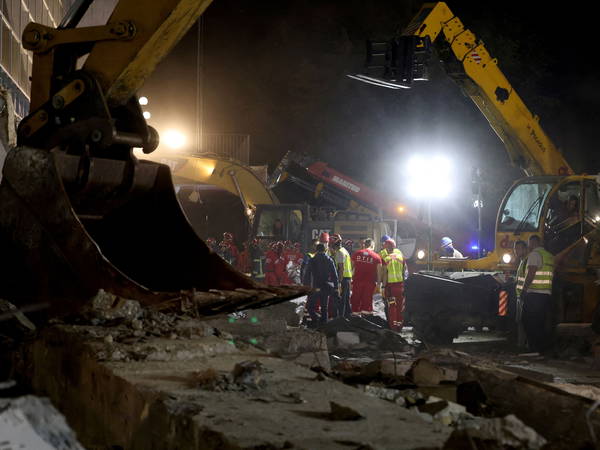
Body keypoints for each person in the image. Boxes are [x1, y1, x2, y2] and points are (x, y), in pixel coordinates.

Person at [520, 235, 555, 352]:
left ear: (533, 243)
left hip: (534, 294)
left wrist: (524, 290)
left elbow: (531, 274)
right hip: (545, 294)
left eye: (529, 243)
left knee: (527, 320)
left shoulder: (534, 255)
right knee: (540, 322)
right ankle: (541, 348)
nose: (528, 246)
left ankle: (533, 348)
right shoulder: (549, 256)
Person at [302, 243, 339, 325]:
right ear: (325, 250)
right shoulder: (329, 260)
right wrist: (336, 287)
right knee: (324, 307)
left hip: (315, 286)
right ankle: (324, 325)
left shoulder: (312, 259)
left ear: (316, 250)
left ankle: (315, 321)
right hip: (326, 287)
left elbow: (307, 274)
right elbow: (334, 275)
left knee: (310, 307)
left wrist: (305, 286)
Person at [350, 238, 382, 314]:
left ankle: (354, 318)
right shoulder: (377, 257)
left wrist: (350, 279)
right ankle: (365, 320)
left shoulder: (356, 254)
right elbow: (379, 273)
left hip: (357, 282)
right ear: (372, 246)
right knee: (367, 303)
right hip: (369, 283)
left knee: (355, 300)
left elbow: (350, 268)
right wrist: (379, 284)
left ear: (365, 245)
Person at [382, 238, 408, 331]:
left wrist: (383, 286)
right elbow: (404, 272)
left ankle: (393, 327)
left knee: (392, 307)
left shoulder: (386, 259)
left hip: (390, 287)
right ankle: (399, 326)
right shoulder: (401, 257)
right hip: (400, 286)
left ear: (387, 248)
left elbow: (385, 274)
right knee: (400, 307)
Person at [329, 233, 353, 317]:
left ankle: (340, 319)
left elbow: (341, 268)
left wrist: (339, 282)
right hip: (347, 278)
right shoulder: (344, 250)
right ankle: (347, 317)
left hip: (343, 279)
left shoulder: (339, 253)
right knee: (346, 300)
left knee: (340, 300)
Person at [513, 240, 528, 347]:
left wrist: (523, 293)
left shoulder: (526, 262)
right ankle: (521, 343)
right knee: (520, 321)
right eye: (515, 249)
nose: (516, 251)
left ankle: (523, 344)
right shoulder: (522, 262)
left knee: (523, 321)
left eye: (518, 248)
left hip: (524, 296)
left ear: (525, 249)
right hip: (520, 296)